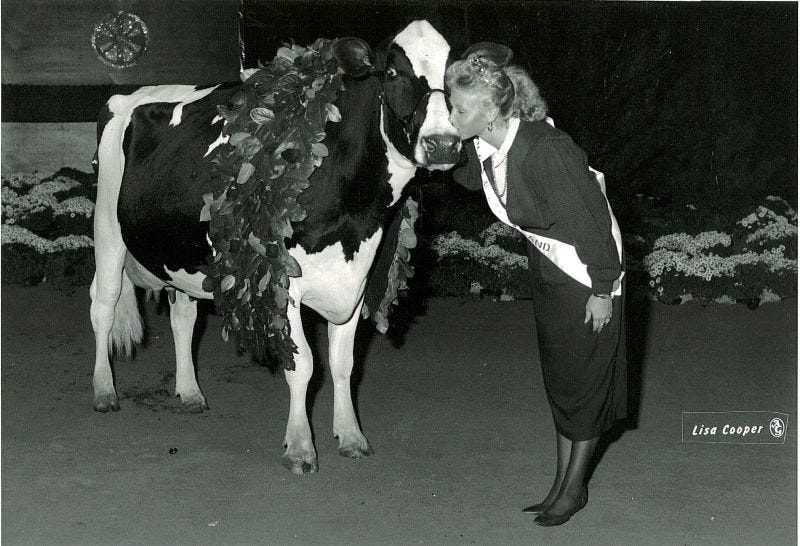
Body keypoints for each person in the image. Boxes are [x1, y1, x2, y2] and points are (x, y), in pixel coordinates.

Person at [445, 42, 627, 527]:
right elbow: (482, 181)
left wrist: (603, 290)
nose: (451, 115)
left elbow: (590, 221)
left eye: (458, 108)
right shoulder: (491, 144)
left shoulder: (545, 150)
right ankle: (561, 482)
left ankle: (575, 489)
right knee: (563, 384)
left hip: (585, 278)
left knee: (584, 386)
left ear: (489, 110)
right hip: (550, 278)